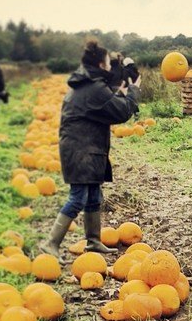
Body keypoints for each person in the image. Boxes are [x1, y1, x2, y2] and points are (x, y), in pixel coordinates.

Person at [39, 39, 141, 257]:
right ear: (101, 65)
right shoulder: (94, 88)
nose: (110, 66)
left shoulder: (87, 85)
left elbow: (105, 106)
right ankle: (50, 243)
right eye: (107, 62)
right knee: (78, 198)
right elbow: (121, 112)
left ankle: (93, 241)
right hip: (81, 151)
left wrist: (120, 94)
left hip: (84, 148)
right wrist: (132, 91)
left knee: (94, 196)